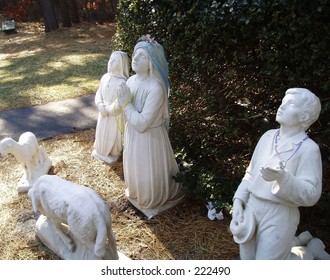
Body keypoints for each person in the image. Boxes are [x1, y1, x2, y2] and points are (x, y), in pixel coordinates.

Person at [230, 87, 327, 260]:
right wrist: (238, 201)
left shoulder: (308, 149)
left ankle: (309, 254)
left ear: (304, 117)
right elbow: (250, 174)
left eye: (289, 104)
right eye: (282, 102)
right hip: (252, 207)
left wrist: (284, 178)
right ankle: (302, 249)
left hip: (280, 214)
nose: (281, 106)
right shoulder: (267, 137)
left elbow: (311, 194)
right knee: (247, 261)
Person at [116, 35, 183, 218]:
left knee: (148, 169)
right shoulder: (131, 81)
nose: (135, 59)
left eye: (142, 56)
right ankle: (137, 193)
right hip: (133, 136)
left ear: (152, 62)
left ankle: (151, 198)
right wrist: (116, 105)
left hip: (149, 139)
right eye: (135, 54)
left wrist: (124, 104)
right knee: (135, 167)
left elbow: (143, 124)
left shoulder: (156, 88)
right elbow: (123, 110)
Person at [92, 51, 129, 164]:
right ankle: (100, 150)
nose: (110, 62)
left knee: (112, 135)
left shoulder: (123, 82)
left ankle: (113, 152)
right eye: (110, 59)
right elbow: (99, 93)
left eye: (114, 61)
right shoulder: (104, 77)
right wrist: (100, 105)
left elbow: (121, 101)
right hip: (102, 113)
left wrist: (109, 110)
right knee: (101, 133)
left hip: (114, 116)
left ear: (121, 65)